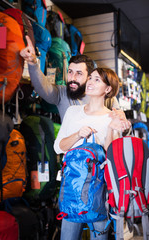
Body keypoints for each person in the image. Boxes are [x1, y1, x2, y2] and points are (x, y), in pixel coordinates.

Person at [53, 67, 128, 240]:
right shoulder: (73, 112)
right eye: (91, 78)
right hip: (73, 188)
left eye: (97, 80)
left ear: (108, 89)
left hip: (99, 191)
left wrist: (111, 128)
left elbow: (112, 158)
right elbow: (59, 147)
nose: (90, 82)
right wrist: (78, 134)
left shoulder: (112, 116)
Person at [20, 36, 127, 123]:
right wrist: (32, 63)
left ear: (89, 77)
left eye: (79, 73)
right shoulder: (62, 93)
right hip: (70, 149)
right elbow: (42, 87)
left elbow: (122, 129)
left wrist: (122, 120)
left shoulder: (107, 98)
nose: (73, 78)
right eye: (70, 72)